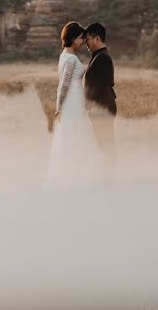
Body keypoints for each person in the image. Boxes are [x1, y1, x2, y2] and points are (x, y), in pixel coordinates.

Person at [44, 21, 102, 190]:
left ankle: (76, 176)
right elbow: (63, 85)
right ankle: (75, 178)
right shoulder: (70, 59)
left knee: (75, 136)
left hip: (75, 99)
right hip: (72, 101)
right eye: (80, 38)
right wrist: (59, 108)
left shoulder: (65, 56)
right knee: (75, 136)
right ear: (72, 38)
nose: (83, 41)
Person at [83, 22, 117, 175]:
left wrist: (86, 104)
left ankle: (109, 174)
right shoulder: (98, 56)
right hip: (102, 105)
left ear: (97, 38)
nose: (86, 43)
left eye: (88, 39)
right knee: (103, 141)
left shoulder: (102, 58)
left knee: (105, 142)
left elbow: (99, 85)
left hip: (102, 107)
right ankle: (107, 172)